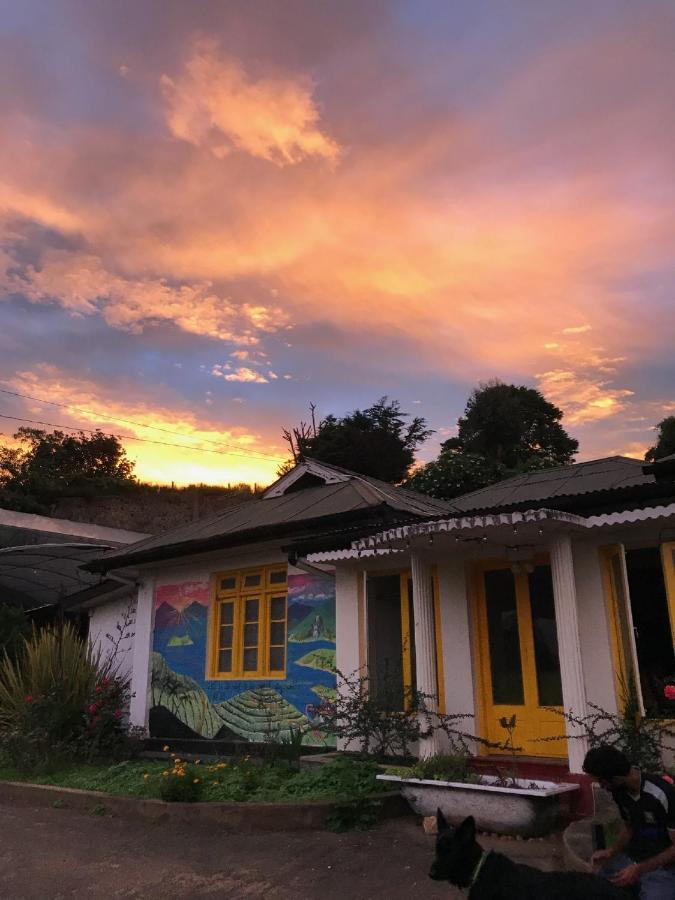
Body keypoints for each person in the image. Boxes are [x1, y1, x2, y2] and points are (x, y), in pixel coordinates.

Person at [583, 745, 675, 899]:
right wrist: (610, 851)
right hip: (631, 859)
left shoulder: (663, 794)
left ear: (617, 778)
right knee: (596, 887)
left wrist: (638, 869)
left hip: (664, 867)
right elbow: (629, 827)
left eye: (602, 782)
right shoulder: (620, 792)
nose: (602, 787)